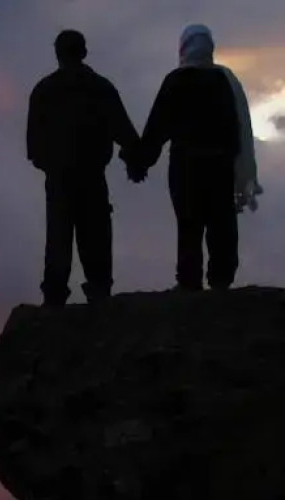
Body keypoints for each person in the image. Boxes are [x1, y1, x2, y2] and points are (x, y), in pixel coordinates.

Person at [131, 24, 263, 292]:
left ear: (183, 47)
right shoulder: (226, 81)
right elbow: (238, 128)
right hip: (220, 168)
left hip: (185, 169)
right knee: (221, 224)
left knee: (189, 225)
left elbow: (157, 127)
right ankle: (221, 281)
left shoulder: (176, 81)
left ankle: (189, 282)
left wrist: (140, 162)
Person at [27, 30, 141, 307]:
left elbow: (33, 146)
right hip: (91, 175)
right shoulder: (100, 88)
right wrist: (136, 161)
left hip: (60, 178)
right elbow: (125, 132)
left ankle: (54, 298)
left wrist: (51, 164)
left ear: (57, 53)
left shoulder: (44, 91)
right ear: (84, 52)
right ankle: (99, 293)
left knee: (58, 237)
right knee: (95, 236)